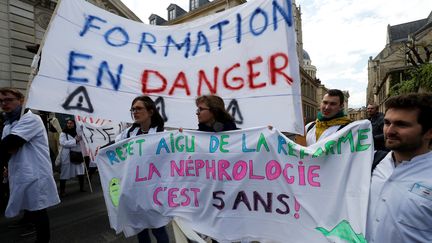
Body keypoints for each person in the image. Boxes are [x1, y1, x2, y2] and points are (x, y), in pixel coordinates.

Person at [366, 93, 432, 243]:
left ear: (429, 132)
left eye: (401, 124)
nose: (389, 131)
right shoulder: (374, 163)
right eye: (387, 123)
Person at [0, 88, 60, 243]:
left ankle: (43, 240)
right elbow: (7, 149)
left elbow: (10, 144)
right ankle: (27, 223)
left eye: (8, 99)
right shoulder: (9, 124)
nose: (4, 104)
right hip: (20, 171)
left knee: (39, 210)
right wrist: (6, 164)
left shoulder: (31, 119)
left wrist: (10, 147)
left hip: (35, 173)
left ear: (21, 100)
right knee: (30, 206)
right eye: (1, 101)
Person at [116, 95, 169, 243]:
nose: (135, 112)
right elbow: (114, 149)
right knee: (141, 230)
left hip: (154, 193)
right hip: (135, 192)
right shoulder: (128, 134)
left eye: (139, 108)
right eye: (133, 109)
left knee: (158, 229)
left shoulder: (161, 135)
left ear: (150, 111)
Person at [59, 119, 86, 197]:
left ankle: (82, 187)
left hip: (77, 154)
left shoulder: (78, 133)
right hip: (67, 155)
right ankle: (62, 191)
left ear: (74, 124)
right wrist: (75, 141)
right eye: (68, 123)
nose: (69, 125)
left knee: (81, 171)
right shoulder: (63, 133)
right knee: (64, 173)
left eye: (71, 123)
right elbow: (63, 143)